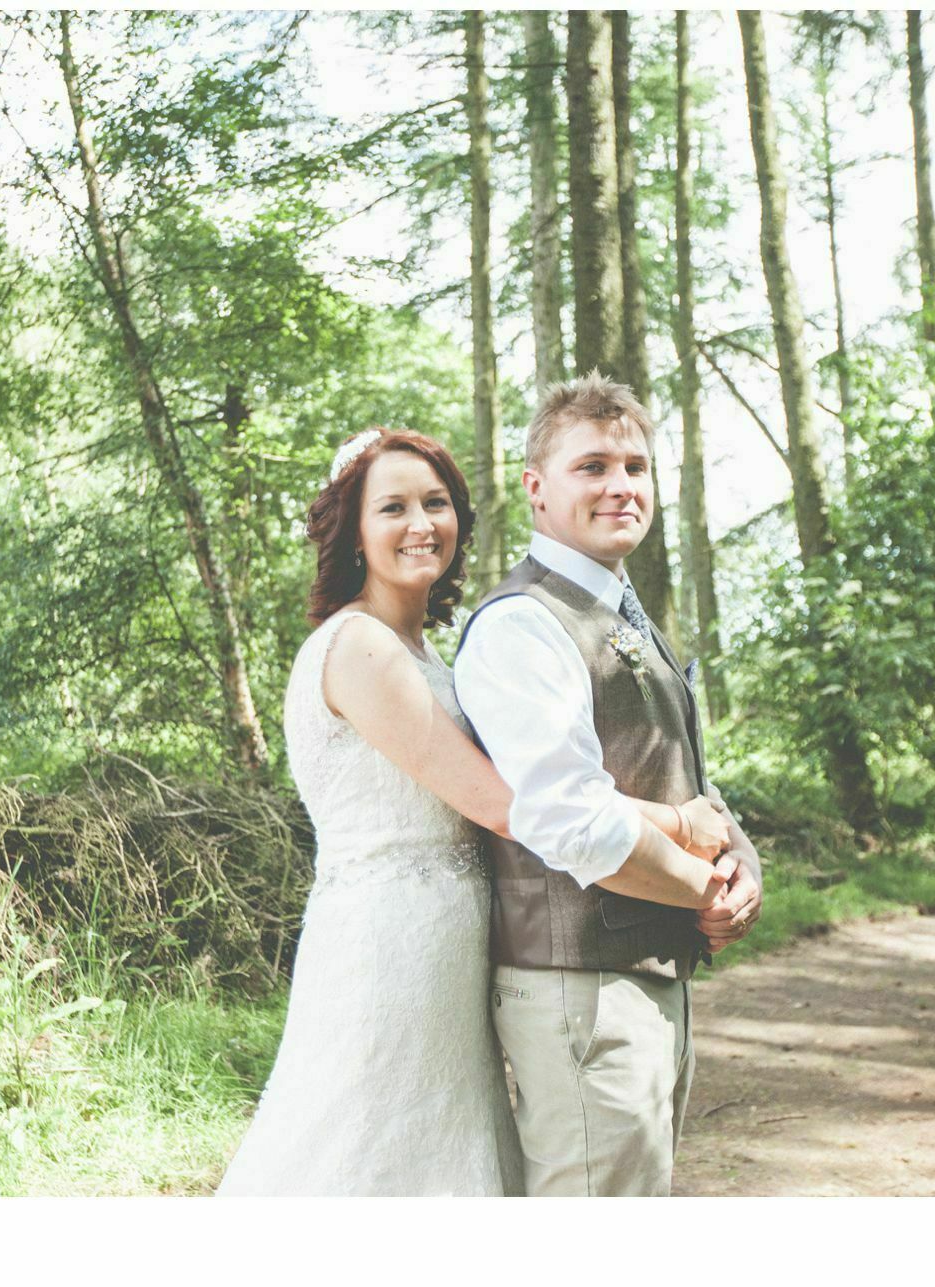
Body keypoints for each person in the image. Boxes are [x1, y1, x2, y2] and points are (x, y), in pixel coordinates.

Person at [217, 427, 732, 1196]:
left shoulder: (427, 654)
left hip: (456, 947)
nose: (422, 523)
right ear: (351, 530)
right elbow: (505, 805)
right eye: (392, 507)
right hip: (388, 947)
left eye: (437, 502)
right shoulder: (358, 646)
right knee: (363, 1148)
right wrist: (684, 825)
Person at [453, 372, 764, 1197]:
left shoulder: (621, 606)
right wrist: (703, 888)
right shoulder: (524, 622)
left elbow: (688, 781)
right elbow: (570, 821)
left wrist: (742, 870)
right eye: (592, 466)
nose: (621, 485)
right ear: (536, 489)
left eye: (635, 466)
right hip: (581, 985)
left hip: (646, 976)